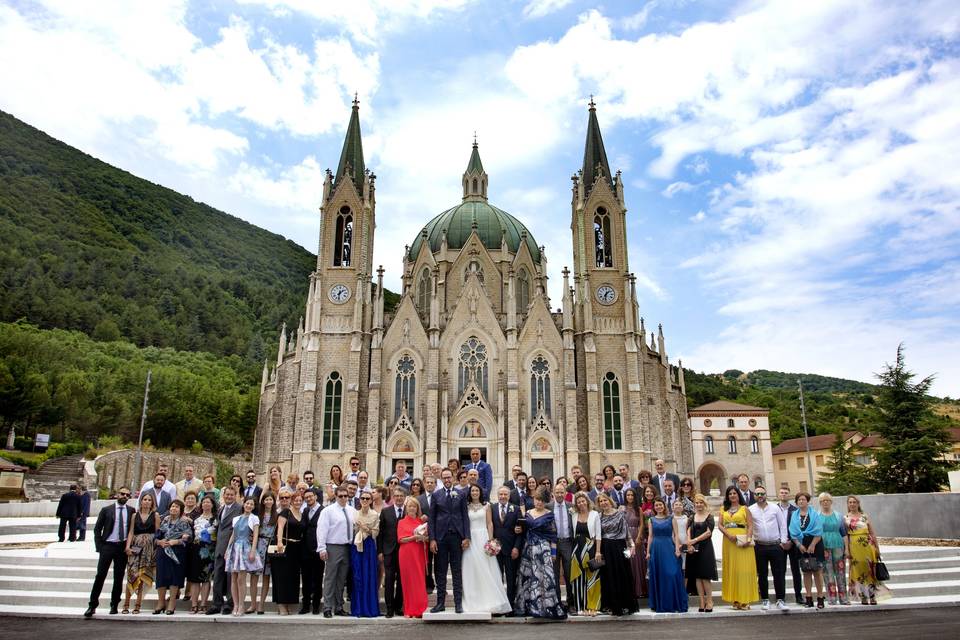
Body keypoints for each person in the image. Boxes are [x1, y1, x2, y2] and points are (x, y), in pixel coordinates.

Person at [513, 487, 567, 620]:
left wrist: (553, 552)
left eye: (542, 500)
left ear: (545, 501)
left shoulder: (549, 514)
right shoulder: (527, 513)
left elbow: (553, 535)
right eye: (537, 500)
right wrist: (518, 529)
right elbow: (522, 530)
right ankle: (527, 606)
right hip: (528, 548)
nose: (539, 503)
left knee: (544, 578)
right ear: (534, 499)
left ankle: (544, 607)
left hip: (543, 549)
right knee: (528, 578)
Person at [460, 483, 512, 614]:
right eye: (472, 491)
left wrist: (490, 540)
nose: (475, 493)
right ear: (469, 493)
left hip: (483, 538)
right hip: (471, 539)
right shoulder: (466, 506)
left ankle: (491, 600)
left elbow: (489, 523)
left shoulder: (487, 506)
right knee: (471, 569)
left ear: (480, 492)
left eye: (477, 490)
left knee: (487, 569)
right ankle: (473, 599)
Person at [84, 487, 135, 618]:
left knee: (118, 578)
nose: (125, 496)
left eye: (128, 495)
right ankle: (92, 604)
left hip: (122, 547)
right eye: (122, 494)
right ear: (117, 494)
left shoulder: (131, 511)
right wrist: (100, 546)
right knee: (100, 575)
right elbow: (97, 529)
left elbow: (132, 530)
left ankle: (114, 604)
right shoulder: (106, 510)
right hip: (107, 546)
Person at [429, 468, 470, 613]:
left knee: (456, 570)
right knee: (440, 571)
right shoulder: (436, 495)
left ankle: (458, 603)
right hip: (440, 538)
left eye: (449, 477)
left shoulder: (461, 494)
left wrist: (467, 537)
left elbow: (465, 516)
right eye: (444, 477)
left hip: (456, 537)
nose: (447, 480)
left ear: (453, 478)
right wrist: (432, 539)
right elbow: (432, 519)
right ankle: (440, 603)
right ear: (441, 478)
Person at [748, 484, 789, 611]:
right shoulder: (750, 509)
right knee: (762, 574)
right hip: (760, 546)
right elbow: (749, 526)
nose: (760, 496)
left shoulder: (775, 508)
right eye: (757, 494)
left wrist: (783, 541)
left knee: (779, 574)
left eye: (762, 494)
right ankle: (765, 599)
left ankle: (780, 599)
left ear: (765, 495)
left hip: (776, 546)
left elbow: (782, 525)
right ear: (754, 496)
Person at [718, 485, 759, 610]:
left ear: (738, 495)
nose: (732, 496)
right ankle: (735, 599)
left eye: (734, 493)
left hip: (742, 541)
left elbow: (750, 525)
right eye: (730, 494)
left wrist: (748, 538)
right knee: (732, 569)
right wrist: (728, 534)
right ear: (727, 496)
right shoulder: (723, 509)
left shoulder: (744, 508)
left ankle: (745, 599)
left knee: (744, 570)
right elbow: (719, 525)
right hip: (729, 541)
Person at [596, 492, 637, 616]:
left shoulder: (620, 514)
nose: (603, 503)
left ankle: (625, 605)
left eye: (605, 500)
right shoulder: (599, 516)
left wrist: (632, 545)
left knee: (623, 574)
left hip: (620, 547)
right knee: (608, 576)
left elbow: (626, 532)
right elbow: (598, 534)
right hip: (606, 548)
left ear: (609, 500)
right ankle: (612, 605)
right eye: (601, 502)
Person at [316, 486, 355, 617]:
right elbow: (322, 529)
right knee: (330, 577)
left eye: (346, 496)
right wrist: (322, 548)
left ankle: (338, 606)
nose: (344, 498)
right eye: (341, 496)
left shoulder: (352, 510)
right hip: (333, 546)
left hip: (347, 547)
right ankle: (327, 607)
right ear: (336, 496)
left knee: (341, 579)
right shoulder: (328, 511)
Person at [645, 497, 687, 613]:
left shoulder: (671, 518)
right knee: (659, 576)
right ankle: (660, 603)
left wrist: (677, 549)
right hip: (656, 548)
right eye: (656, 505)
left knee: (672, 573)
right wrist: (648, 552)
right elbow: (650, 536)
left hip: (669, 546)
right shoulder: (651, 520)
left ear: (664, 506)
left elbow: (676, 534)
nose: (658, 507)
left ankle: (673, 602)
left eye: (660, 505)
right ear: (654, 507)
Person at [224, 496, 262, 617]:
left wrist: (252, 551)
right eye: (247, 503)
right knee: (233, 578)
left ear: (254, 507)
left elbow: (255, 536)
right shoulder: (236, 519)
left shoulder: (254, 518)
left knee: (241, 578)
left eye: (251, 504)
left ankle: (241, 605)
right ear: (243, 504)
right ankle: (235, 604)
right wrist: (227, 550)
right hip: (234, 548)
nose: (249, 506)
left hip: (245, 547)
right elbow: (233, 535)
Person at [123, 490, 160, 614]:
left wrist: (155, 548)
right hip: (136, 548)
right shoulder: (135, 515)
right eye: (145, 499)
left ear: (152, 502)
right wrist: (128, 546)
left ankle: (138, 604)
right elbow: (131, 532)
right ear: (141, 501)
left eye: (149, 500)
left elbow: (157, 533)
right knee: (132, 574)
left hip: (148, 549)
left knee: (142, 576)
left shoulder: (155, 515)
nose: (147, 502)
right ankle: (126, 603)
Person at [154, 499, 193, 615]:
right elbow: (157, 535)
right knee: (161, 576)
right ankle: (161, 602)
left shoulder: (184, 522)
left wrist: (176, 541)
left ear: (181, 510)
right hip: (163, 550)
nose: (173, 509)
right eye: (172, 506)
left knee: (174, 577)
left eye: (176, 507)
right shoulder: (165, 520)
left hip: (177, 551)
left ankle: (171, 603)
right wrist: (159, 542)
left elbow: (188, 538)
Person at [206, 485, 241, 615]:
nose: (229, 497)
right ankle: (216, 603)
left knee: (230, 577)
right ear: (224, 495)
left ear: (235, 495)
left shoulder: (239, 509)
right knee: (218, 576)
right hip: (219, 547)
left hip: (231, 546)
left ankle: (229, 603)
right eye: (227, 494)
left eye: (231, 495)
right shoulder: (221, 509)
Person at [790, 491, 825, 608]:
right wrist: (799, 545)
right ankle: (808, 598)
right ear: (796, 502)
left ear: (807, 501)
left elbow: (819, 531)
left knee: (817, 571)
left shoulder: (814, 514)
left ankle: (820, 597)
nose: (801, 501)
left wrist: (813, 544)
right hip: (801, 546)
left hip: (815, 544)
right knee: (806, 572)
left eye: (803, 499)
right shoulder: (794, 515)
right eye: (799, 500)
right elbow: (792, 532)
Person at [844, 495, 882, 605]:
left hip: (867, 546)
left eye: (854, 502)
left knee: (870, 570)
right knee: (858, 571)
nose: (852, 504)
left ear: (858, 503)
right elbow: (845, 535)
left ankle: (872, 595)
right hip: (854, 546)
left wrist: (877, 548)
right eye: (850, 502)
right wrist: (846, 549)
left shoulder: (865, 516)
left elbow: (872, 533)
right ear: (848, 504)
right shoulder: (845, 518)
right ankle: (863, 596)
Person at [569, 491, 601, 616]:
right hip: (576, 549)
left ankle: (592, 607)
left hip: (591, 548)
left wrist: (598, 551)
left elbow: (598, 535)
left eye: (583, 501)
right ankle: (579, 607)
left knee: (593, 577)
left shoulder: (595, 514)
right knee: (578, 579)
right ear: (576, 504)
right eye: (578, 502)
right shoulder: (573, 514)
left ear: (587, 501)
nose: (581, 503)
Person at [272, 489, 303, 615]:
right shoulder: (286, 512)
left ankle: (288, 603)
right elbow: (280, 527)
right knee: (281, 577)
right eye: (295, 500)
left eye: (300, 500)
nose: (298, 502)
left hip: (296, 549)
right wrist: (279, 542)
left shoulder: (301, 513)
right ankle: (281, 605)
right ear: (291, 500)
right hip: (284, 546)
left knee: (292, 577)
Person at [491, 486, 523, 606]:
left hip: (511, 550)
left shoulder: (515, 509)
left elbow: (520, 531)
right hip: (496, 550)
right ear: (497, 495)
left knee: (511, 579)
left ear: (509, 496)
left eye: (505, 494)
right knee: (497, 579)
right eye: (501, 494)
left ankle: (510, 605)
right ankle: (499, 605)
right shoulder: (492, 508)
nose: (503, 496)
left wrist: (516, 547)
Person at [398, 496, 429, 618]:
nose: (412, 508)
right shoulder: (401, 522)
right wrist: (414, 537)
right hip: (406, 554)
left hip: (419, 553)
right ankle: (409, 610)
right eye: (410, 506)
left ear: (417, 509)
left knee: (419, 580)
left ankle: (420, 609)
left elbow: (426, 539)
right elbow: (401, 539)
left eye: (414, 506)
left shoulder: (421, 523)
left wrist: (424, 538)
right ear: (406, 508)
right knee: (407, 582)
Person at [351, 490, 381, 617]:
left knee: (368, 576)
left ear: (371, 501)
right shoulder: (354, 514)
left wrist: (365, 528)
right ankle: (358, 608)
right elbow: (351, 531)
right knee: (358, 575)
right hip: (356, 547)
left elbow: (375, 533)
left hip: (368, 547)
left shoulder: (375, 515)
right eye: (362, 498)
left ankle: (369, 607)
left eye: (367, 498)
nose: (364, 500)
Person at [686, 494, 717, 612]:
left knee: (705, 576)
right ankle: (701, 601)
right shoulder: (692, 517)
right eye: (697, 503)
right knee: (698, 577)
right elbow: (688, 529)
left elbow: (708, 533)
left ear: (704, 504)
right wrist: (689, 543)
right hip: (694, 549)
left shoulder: (709, 517)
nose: (699, 505)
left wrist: (694, 540)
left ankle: (710, 601)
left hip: (705, 548)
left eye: (701, 503)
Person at [187, 494, 217, 614]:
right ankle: (194, 603)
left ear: (212, 504)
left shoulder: (215, 519)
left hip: (209, 550)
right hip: (196, 548)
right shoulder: (196, 519)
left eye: (208, 502)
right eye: (204, 502)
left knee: (206, 578)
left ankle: (203, 603)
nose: (206, 504)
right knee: (194, 579)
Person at [818, 492, 849, 605]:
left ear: (831, 502)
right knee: (827, 572)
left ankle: (844, 598)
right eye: (822, 501)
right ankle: (832, 598)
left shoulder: (838, 515)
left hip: (838, 545)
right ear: (820, 503)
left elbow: (844, 533)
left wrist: (847, 549)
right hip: (824, 546)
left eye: (827, 500)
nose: (825, 502)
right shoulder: (817, 516)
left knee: (840, 572)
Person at [378, 488, 405, 617]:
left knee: (401, 580)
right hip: (389, 551)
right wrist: (380, 551)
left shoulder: (408, 512)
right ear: (393, 497)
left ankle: (398, 606)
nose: (399, 498)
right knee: (389, 579)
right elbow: (380, 533)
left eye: (401, 496)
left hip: (404, 551)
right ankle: (389, 608)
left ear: (405, 497)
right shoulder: (385, 512)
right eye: (397, 496)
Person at [249, 492, 277, 614]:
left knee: (266, 576)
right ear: (263, 501)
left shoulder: (276, 515)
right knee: (254, 576)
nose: (268, 502)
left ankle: (261, 604)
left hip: (269, 545)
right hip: (258, 543)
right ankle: (253, 604)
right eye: (266, 499)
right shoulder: (257, 515)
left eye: (271, 499)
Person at [777, 486, 803, 604]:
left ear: (789, 495)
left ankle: (798, 595)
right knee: (780, 571)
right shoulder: (773, 509)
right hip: (779, 544)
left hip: (793, 544)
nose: (783, 495)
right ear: (779, 495)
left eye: (786, 493)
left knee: (795, 570)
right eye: (781, 493)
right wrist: (780, 541)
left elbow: (798, 527)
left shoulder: (795, 510)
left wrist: (792, 541)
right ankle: (781, 597)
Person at [300, 487, 324, 614]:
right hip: (305, 550)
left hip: (318, 549)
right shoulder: (305, 510)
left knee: (318, 578)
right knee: (306, 578)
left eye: (310, 496)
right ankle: (305, 605)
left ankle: (315, 605)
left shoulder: (323, 511)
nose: (308, 499)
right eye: (306, 497)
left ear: (315, 496)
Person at [550, 484, 574, 609]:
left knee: (569, 572)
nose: (559, 494)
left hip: (567, 543)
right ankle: (557, 602)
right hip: (553, 544)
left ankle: (571, 602)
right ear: (553, 493)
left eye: (561, 492)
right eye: (557, 492)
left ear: (565, 493)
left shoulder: (571, 506)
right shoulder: (548, 507)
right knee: (554, 573)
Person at [623, 487, 647, 601]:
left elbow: (642, 524)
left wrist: (638, 537)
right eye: (628, 495)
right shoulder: (622, 509)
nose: (630, 497)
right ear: (625, 497)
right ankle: (629, 589)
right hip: (625, 538)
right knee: (629, 562)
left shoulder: (639, 509)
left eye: (632, 495)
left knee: (638, 562)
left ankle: (640, 590)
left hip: (636, 537)